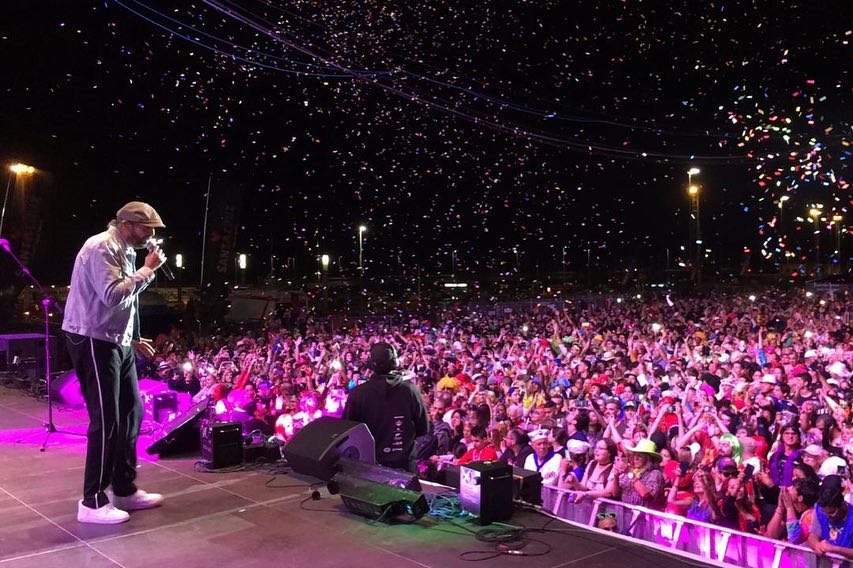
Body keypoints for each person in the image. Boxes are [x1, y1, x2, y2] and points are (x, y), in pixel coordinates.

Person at [62, 201, 168, 524]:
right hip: (92, 336)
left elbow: (128, 303)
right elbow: (111, 294)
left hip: (115, 339)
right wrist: (148, 270)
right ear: (127, 225)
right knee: (107, 419)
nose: (151, 236)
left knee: (131, 411)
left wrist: (133, 337)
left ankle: (123, 488)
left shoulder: (126, 250)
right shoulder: (101, 247)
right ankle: (92, 501)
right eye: (146, 229)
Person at [343, 342, 428, 472]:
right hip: (405, 467)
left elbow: (347, 431)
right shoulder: (411, 390)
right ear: (395, 362)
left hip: (369, 466)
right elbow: (423, 429)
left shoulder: (358, 393)